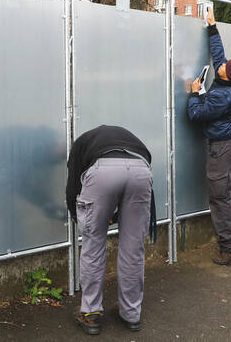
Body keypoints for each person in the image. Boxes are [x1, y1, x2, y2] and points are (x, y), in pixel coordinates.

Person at [66, 125, 155, 336]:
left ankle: (91, 314)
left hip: (103, 172)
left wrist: (77, 215)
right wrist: (115, 215)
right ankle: (131, 314)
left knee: (93, 244)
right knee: (133, 248)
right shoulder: (128, 137)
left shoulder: (79, 145)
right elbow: (142, 164)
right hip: (141, 169)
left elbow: (72, 189)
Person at [187, 8, 231, 266]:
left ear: (227, 76)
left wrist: (195, 93)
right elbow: (219, 56)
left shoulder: (222, 95)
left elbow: (197, 115)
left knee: (220, 198)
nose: (221, 66)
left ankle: (229, 246)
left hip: (219, 150)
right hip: (229, 148)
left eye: (224, 68)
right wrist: (212, 27)